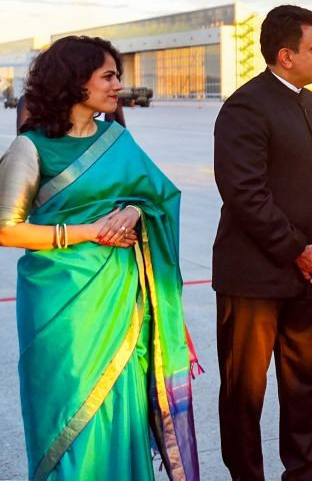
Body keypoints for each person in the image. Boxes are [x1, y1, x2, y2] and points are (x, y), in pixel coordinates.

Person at [0, 36, 199, 480]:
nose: (117, 86)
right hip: (63, 311)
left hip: (122, 305)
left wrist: (134, 211)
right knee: (70, 419)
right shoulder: (30, 148)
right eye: (108, 76)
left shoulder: (117, 139)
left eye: (118, 77)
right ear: (75, 82)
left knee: (120, 411)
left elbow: (159, 198)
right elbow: (7, 229)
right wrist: (91, 232)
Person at [213, 5, 312, 481]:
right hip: (254, 279)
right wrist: (297, 249)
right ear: (286, 55)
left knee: (302, 387)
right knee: (245, 394)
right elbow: (245, 194)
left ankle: (304, 474)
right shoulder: (246, 106)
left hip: (309, 274)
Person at [17, 90, 125, 133]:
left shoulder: (112, 100)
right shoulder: (30, 100)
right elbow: (23, 139)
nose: (117, 85)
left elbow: (121, 134)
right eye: (107, 76)